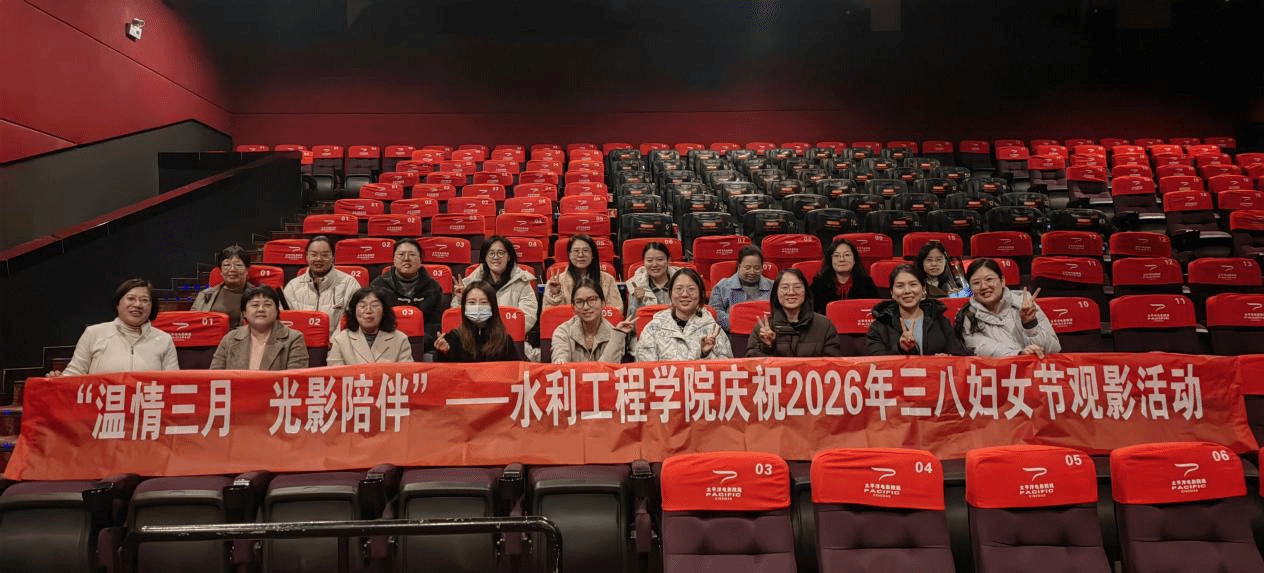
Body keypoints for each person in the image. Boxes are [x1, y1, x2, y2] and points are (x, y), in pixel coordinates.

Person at [50, 278, 179, 376]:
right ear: (118, 303)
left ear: (152, 307)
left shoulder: (164, 340)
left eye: (144, 300)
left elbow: (173, 381)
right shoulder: (94, 333)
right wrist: (57, 380)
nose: (138, 304)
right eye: (131, 299)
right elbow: (75, 373)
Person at [955, 258, 1061, 357]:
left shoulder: (1025, 304)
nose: (984, 286)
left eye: (989, 279)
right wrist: (1019, 354)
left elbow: (1054, 349)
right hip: (1000, 370)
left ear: (1002, 281)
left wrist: (1030, 325)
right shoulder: (968, 316)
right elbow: (984, 348)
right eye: (976, 283)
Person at [867, 265, 969, 356]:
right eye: (900, 286)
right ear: (892, 293)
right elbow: (878, 363)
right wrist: (902, 349)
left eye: (913, 284)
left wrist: (947, 358)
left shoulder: (940, 322)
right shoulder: (879, 327)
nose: (907, 291)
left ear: (923, 290)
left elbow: (959, 356)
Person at [450, 236, 539, 340]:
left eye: (501, 253)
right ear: (485, 257)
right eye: (491, 253)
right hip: (476, 339)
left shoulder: (522, 283)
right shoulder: (470, 283)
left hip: (509, 339)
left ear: (509, 257)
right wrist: (461, 300)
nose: (496, 257)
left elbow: (527, 318)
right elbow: (456, 318)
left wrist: (499, 335)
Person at [637, 269, 733, 361]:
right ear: (670, 293)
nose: (685, 294)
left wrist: (705, 355)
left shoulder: (713, 329)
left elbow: (727, 367)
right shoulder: (653, 329)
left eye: (691, 289)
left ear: (700, 294)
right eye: (679, 289)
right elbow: (643, 366)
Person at [747, 269, 843, 357]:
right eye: (785, 287)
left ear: (806, 291)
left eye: (797, 287)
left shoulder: (825, 326)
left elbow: (833, 364)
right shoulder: (763, 328)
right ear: (776, 293)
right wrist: (768, 347)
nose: (791, 292)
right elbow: (750, 364)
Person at [210, 285, 309, 370]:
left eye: (267, 305)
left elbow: (295, 380)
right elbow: (215, 377)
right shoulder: (230, 339)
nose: (261, 309)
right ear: (244, 313)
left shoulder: (293, 339)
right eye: (255, 305)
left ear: (277, 311)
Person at [282, 236, 358, 335]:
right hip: (299, 342)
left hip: (338, 342)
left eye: (325, 255)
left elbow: (354, 320)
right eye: (314, 255)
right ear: (307, 257)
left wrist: (334, 342)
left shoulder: (349, 284)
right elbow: (284, 321)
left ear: (333, 257)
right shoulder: (292, 286)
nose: (319, 259)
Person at [551, 278, 637, 363]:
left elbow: (608, 368)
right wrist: (560, 362)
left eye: (592, 300)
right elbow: (560, 362)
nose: (586, 307)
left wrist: (617, 337)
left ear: (603, 303)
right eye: (579, 302)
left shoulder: (615, 335)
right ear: (574, 307)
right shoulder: (563, 332)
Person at [372, 238, 444, 339]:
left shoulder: (433, 287)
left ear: (421, 259)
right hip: (387, 340)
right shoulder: (378, 286)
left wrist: (422, 341)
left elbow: (435, 324)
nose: (406, 259)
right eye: (401, 254)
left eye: (412, 254)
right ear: (394, 259)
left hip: (422, 342)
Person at [434, 281, 523, 362]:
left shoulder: (504, 341)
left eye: (483, 302)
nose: (477, 307)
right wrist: (444, 353)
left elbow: (515, 369)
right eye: (471, 302)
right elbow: (445, 370)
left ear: (492, 306)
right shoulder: (454, 338)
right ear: (464, 307)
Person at [327, 287, 413, 365]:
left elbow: (407, 373)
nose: (368, 311)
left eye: (374, 305)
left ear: (384, 311)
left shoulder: (400, 340)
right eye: (362, 306)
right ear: (354, 312)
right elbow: (335, 374)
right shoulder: (341, 340)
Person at [543, 234, 623, 312]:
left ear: (593, 254)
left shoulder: (608, 280)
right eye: (576, 251)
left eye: (585, 250)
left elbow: (616, 311)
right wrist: (556, 295)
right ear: (569, 255)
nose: (580, 255)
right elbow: (549, 315)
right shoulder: (556, 282)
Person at [708, 245, 773, 330]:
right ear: (739, 266)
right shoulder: (722, 286)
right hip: (733, 332)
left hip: (766, 331)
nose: (752, 272)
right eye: (747, 268)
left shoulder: (773, 286)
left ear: (762, 268)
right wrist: (737, 324)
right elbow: (714, 311)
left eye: (757, 268)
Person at [812, 238, 879, 313]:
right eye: (836, 256)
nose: (842, 259)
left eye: (847, 255)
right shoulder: (819, 284)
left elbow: (876, 311)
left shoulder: (866, 283)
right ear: (830, 260)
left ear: (854, 260)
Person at [191, 245, 253, 325]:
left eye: (238, 265)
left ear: (247, 270)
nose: (232, 269)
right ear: (220, 271)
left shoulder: (257, 295)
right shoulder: (205, 295)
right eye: (227, 265)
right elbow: (193, 324)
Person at [625, 242, 681, 316]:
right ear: (644, 262)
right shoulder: (636, 284)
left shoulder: (682, 282)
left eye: (660, 260)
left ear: (668, 260)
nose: (654, 265)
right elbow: (631, 320)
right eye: (649, 260)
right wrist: (637, 300)